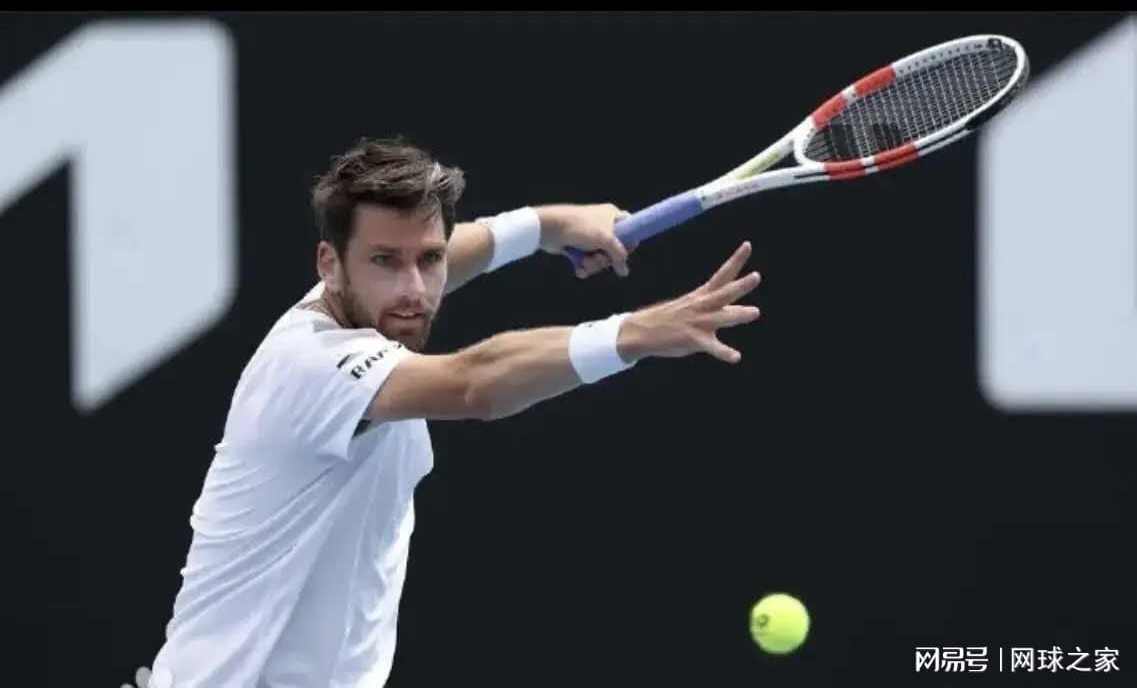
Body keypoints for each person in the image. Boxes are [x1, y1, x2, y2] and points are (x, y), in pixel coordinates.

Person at [149, 137, 762, 687]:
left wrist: (547, 225)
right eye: (385, 261)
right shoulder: (309, 367)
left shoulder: (348, 299)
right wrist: (634, 333)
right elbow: (475, 383)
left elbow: (444, 253)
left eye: (430, 260)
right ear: (328, 265)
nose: (414, 289)